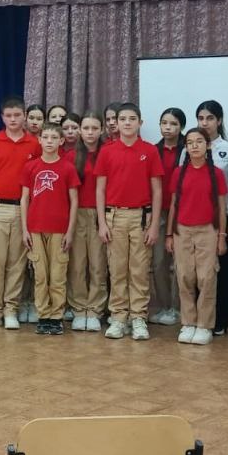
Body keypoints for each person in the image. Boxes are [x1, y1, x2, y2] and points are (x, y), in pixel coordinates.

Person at [95, 102, 164, 341]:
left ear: (140, 123)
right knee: (117, 269)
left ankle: (138, 318)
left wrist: (154, 225)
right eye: (122, 119)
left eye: (132, 119)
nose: (127, 123)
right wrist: (102, 222)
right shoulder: (107, 151)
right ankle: (118, 317)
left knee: (139, 270)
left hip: (141, 217)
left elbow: (157, 190)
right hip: (114, 216)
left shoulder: (150, 151)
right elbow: (100, 189)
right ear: (115, 123)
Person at [0, 96, 41, 330]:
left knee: (17, 263)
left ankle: (11, 308)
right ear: (1, 117)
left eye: (17, 115)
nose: (13, 119)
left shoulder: (34, 144)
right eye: (8, 116)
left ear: (24, 116)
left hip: (22, 210)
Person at [165, 128, 228, 346]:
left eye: (199, 141)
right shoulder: (179, 173)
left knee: (206, 278)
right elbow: (174, 205)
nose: (194, 146)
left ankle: (204, 325)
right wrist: (169, 234)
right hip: (182, 231)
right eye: (190, 142)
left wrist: (222, 236)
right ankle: (188, 322)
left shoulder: (216, 173)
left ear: (207, 145)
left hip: (208, 231)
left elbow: (222, 207)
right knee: (184, 276)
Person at [20, 123, 79, 336]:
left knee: (58, 275)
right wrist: (25, 229)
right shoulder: (31, 167)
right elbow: (24, 199)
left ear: (61, 141)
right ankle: (43, 315)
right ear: (40, 139)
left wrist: (70, 231)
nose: (49, 141)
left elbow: (74, 201)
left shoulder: (67, 168)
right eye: (45, 137)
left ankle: (56, 316)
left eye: (54, 137)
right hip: (35, 228)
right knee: (41, 275)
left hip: (59, 230)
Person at [196, 99, 228, 336]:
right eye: (201, 118)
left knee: (222, 271)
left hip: (221, 219)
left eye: (210, 118)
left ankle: (221, 319)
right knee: (198, 272)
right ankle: (199, 317)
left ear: (219, 121)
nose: (205, 123)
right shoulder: (189, 148)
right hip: (194, 221)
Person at [67, 112, 107, 332]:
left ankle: (95, 310)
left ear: (101, 130)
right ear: (80, 131)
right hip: (76, 214)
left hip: (100, 214)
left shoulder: (107, 153)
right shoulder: (70, 156)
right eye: (86, 128)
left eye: (94, 128)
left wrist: (103, 220)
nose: (90, 133)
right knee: (77, 265)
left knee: (98, 265)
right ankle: (78, 308)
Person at [150, 108, 186, 327]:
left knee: (180, 263)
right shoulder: (153, 150)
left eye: (173, 124)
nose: (168, 128)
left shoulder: (188, 149)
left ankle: (179, 308)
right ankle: (164, 306)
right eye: (164, 123)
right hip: (159, 212)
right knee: (158, 261)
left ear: (181, 126)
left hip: (182, 212)